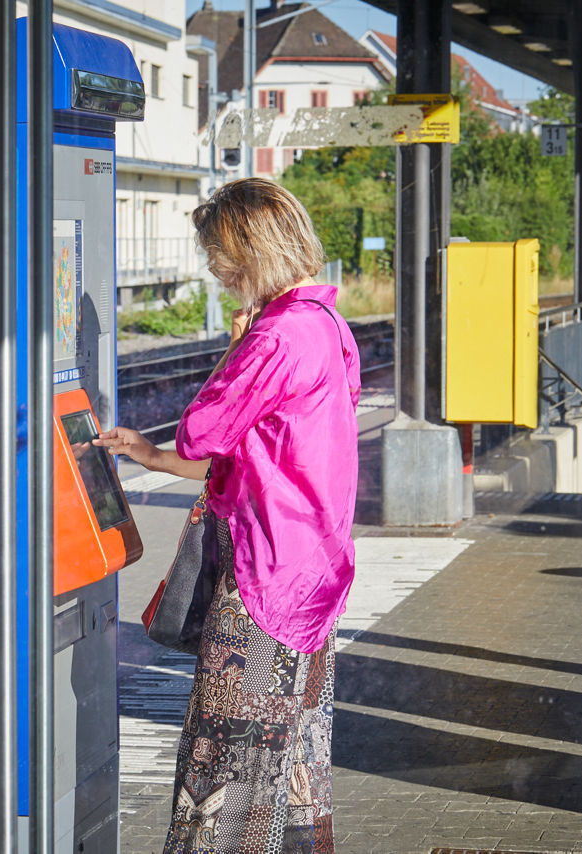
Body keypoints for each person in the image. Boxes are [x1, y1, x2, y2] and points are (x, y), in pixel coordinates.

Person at [94, 178, 360, 853]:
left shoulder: (277, 335)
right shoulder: (327, 323)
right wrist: (149, 457)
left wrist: (236, 347)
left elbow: (203, 430)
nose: (216, 271)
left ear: (249, 250)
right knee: (293, 766)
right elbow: (258, 452)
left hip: (266, 581)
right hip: (313, 576)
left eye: (220, 256)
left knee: (223, 768)